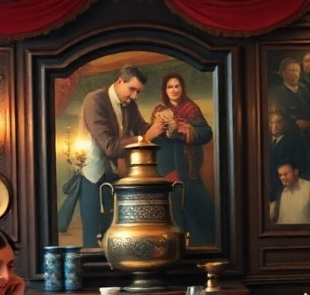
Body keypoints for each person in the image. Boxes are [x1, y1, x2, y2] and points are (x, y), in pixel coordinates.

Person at [77, 64, 164, 248]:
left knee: (113, 235)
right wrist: (145, 137)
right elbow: (110, 147)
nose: (134, 96)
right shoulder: (95, 100)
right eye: (132, 89)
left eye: (138, 92)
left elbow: (143, 128)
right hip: (92, 178)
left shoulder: (130, 104)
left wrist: (161, 125)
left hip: (113, 177)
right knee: (92, 240)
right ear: (119, 81)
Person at [149, 72, 215, 246]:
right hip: (167, 168)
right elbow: (153, 139)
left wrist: (186, 129)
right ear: (165, 90)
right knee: (174, 209)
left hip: (188, 168)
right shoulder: (158, 111)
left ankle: (201, 246)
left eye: (176, 86)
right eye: (170, 86)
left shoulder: (191, 109)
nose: (174, 90)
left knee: (201, 207)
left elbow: (206, 133)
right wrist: (160, 128)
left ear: (182, 88)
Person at [267, 112, 305, 201]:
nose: (275, 126)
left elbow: (299, 162)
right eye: (272, 123)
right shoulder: (266, 140)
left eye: (278, 123)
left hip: (286, 183)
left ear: (284, 124)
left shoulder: (293, 139)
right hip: (270, 183)